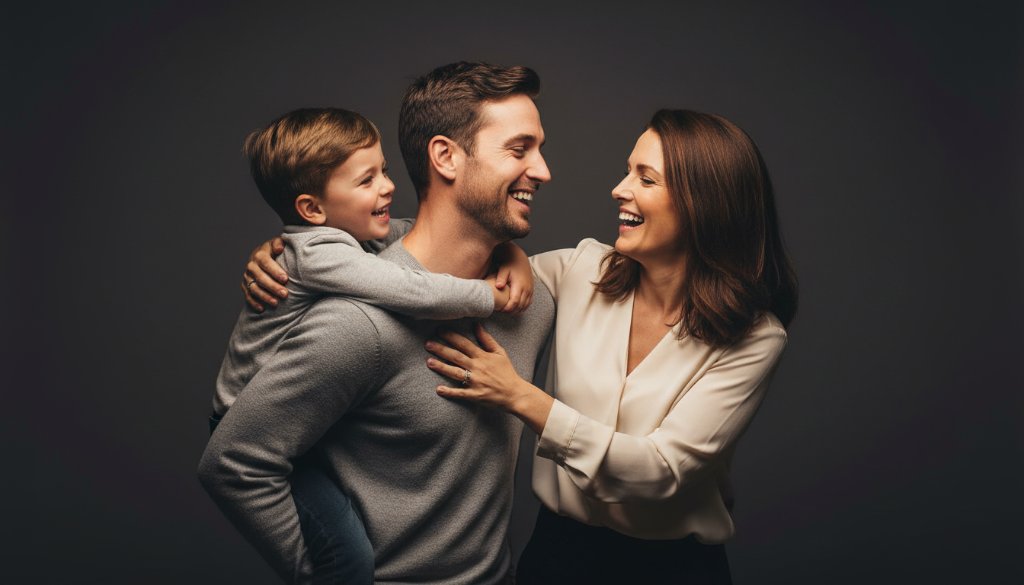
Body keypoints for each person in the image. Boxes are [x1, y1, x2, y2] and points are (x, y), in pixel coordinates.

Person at [197, 61, 556, 585]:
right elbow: (234, 465)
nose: (544, 170)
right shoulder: (356, 324)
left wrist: (514, 259)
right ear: (445, 157)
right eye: (519, 149)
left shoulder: (532, 300)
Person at [423, 109, 798, 584]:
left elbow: (658, 471)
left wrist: (520, 396)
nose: (619, 189)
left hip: (673, 571)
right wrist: (314, 249)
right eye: (627, 171)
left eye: (645, 178)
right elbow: (448, 257)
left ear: (703, 203)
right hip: (558, 557)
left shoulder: (756, 338)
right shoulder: (582, 270)